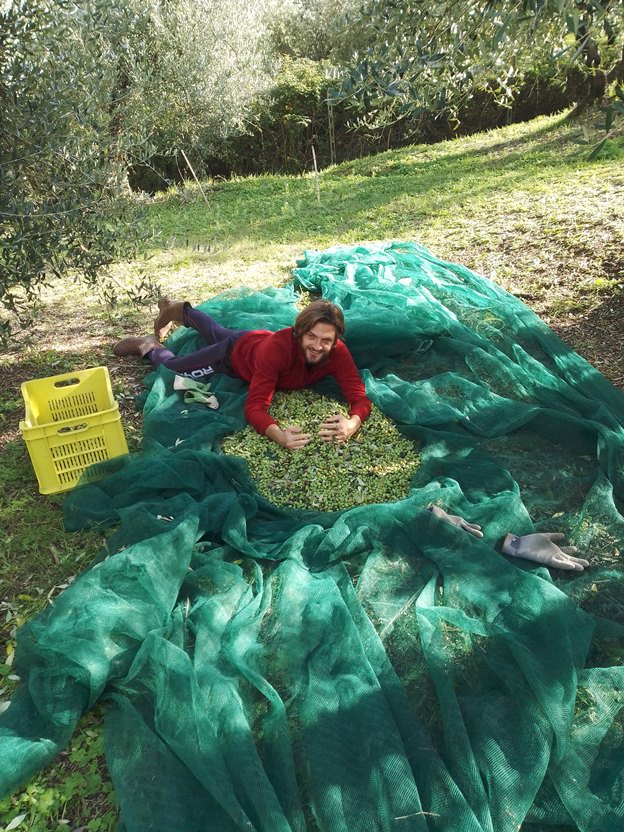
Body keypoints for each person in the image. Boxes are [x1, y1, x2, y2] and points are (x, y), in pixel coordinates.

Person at [113, 297, 371, 451]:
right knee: (174, 369)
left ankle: (179, 310)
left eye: (326, 340)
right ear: (298, 333)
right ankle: (148, 346)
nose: (317, 346)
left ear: (336, 340)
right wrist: (279, 436)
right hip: (233, 357)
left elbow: (359, 397)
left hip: (253, 341)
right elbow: (255, 407)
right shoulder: (278, 351)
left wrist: (353, 423)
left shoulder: (337, 352)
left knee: (215, 332)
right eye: (311, 337)